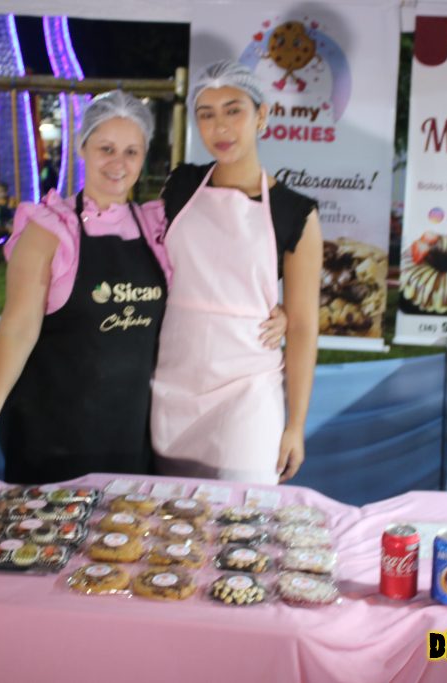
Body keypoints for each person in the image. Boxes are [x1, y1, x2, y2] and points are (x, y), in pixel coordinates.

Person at [0, 91, 286, 484]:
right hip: (51, 432)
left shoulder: (157, 226)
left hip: (131, 433)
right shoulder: (49, 230)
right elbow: (17, 328)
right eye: (106, 149)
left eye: (132, 152)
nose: (119, 163)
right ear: (82, 148)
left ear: (144, 156)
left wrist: (275, 312)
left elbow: (216, 282)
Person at [151, 60, 323, 485]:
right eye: (207, 114)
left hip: (249, 390)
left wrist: (295, 425)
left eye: (234, 111)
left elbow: (303, 326)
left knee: (245, 512)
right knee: (170, 515)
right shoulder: (180, 187)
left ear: (262, 115)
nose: (221, 127)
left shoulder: (294, 212)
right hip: (174, 384)